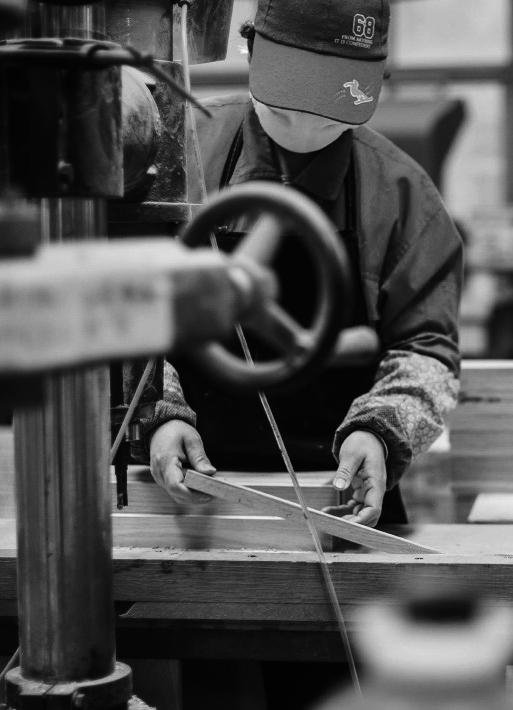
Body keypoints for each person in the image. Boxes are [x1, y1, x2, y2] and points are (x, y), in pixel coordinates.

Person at [142, 0, 463, 528]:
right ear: (250, 50)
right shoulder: (178, 153)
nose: (307, 128)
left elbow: (426, 352)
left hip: (344, 502)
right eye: (286, 108)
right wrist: (157, 413)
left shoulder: (403, 195)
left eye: (331, 113)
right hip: (181, 497)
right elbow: (126, 316)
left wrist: (380, 430)